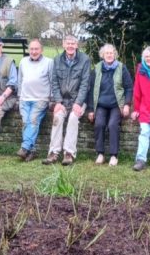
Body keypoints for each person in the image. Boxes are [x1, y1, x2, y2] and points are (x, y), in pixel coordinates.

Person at [43, 35, 91, 166]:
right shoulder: (57, 60)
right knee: (57, 117)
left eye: (73, 43)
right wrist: (58, 101)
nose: (70, 46)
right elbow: (54, 82)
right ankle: (53, 152)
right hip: (62, 100)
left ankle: (69, 153)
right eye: (68, 43)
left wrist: (78, 103)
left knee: (73, 118)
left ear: (77, 45)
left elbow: (85, 84)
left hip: (78, 100)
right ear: (63, 45)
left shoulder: (85, 60)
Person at [87, 44, 133, 166]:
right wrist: (91, 109)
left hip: (116, 104)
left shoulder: (121, 68)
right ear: (102, 55)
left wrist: (127, 104)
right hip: (101, 104)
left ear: (115, 54)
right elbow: (91, 90)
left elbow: (129, 88)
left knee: (113, 125)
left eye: (111, 53)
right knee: (99, 124)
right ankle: (100, 154)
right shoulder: (97, 68)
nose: (109, 55)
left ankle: (114, 155)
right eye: (106, 53)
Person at [16, 39, 53, 162]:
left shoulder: (49, 62)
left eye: (36, 49)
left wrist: (52, 99)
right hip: (25, 99)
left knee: (32, 120)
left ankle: (25, 147)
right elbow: (20, 80)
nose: (34, 51)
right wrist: (19, 97)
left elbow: (53, 81)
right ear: (28, 50)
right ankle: (31, 151)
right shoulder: (23, 62)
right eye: (31, 49)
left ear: (41, 50)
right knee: (26, 123)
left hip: (41, 99)